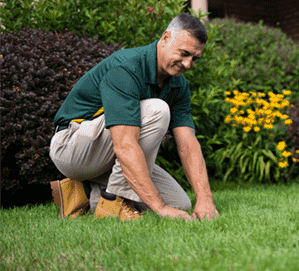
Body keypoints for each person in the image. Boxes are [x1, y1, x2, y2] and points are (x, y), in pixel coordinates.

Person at [49, 13, 219, 222]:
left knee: (180, 203)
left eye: (195, 58)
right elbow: (125, 145)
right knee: (157, 110)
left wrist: (205, 199)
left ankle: (83, 191)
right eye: (184, 54)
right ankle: (113, 199)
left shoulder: (178, 85)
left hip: (105, 155)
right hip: (71, 146)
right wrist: (161, 207)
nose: (187, 64)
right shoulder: (126, 68)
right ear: (165, 38)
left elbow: (188, 144)